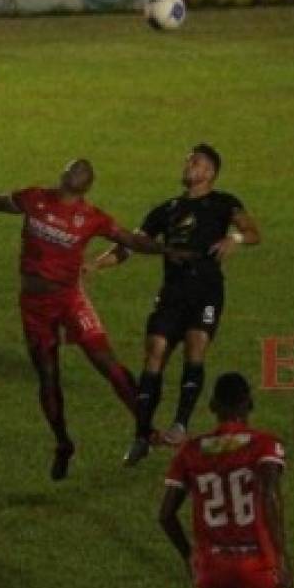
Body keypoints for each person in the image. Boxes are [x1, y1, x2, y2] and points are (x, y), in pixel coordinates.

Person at [0, 159, 193, 481]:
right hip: (35, 306)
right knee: (48, 376)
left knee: (107, 362)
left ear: (87, 185)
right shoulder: (35, 198)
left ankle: (145, 429)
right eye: (73, 167)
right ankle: (63, 443)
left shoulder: (92, 217)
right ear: (62, 174)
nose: (77, 170)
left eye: (83, 170)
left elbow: (129, 240)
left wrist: (164, 250)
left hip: (70, 299)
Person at [86, 144, 260, 464]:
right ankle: (142, 435)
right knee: (154, 353)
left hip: (206, 291)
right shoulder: (166, 210)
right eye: (188, 160)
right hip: (172, 292)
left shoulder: (224, 203)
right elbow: (131, 245)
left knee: (196, 346)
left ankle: (180, 424)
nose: (188, 165)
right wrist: (95, 265)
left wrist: (233, 239)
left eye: (195, 162)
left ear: (209, 173)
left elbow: (252, 232)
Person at [159, 372, 294, 588]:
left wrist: (188, 555)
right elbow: (269, 495)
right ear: (249, 403)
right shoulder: (264, 444)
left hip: (212, 566)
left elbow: (165, 515)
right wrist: (280, 557)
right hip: (257, 562)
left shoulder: (191, 451)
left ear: (212, 407)